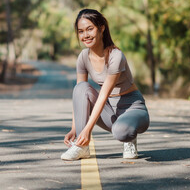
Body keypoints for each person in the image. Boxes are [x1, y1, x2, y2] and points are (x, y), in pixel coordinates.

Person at [61, 9, 150, 161]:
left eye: (90, 29)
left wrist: (88, 131)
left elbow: (103, 95)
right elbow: (79, 96)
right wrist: (75, 129)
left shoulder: (115, 56)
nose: (85, 35)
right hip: (111, 112)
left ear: (101, 28)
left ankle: (130, 138)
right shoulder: (83, 57)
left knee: (121, 132)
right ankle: (82, 147)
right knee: (81, 88)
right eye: (81, 31)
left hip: (133, 109)